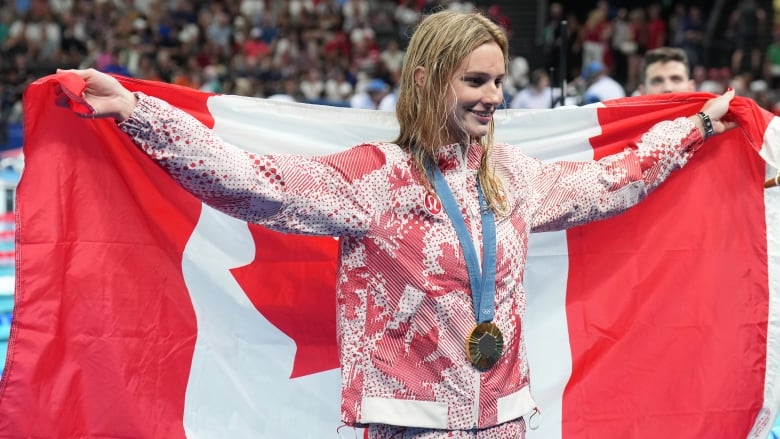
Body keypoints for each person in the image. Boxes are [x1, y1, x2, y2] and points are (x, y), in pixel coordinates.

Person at [58, 10, 735, 439]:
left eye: (498, 81)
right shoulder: (373, 180)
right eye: (475, 81)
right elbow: (252, 182)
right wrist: (141, 113)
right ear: (426, 80)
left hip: (503, 422)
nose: (492, 98)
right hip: (407, 427)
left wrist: (698, 127)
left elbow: (609, 182)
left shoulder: (514, 177)